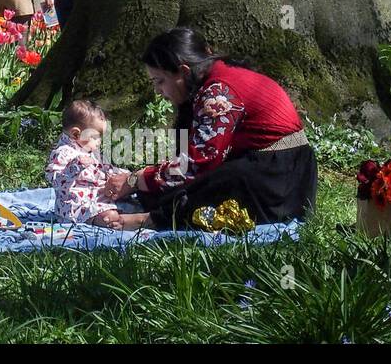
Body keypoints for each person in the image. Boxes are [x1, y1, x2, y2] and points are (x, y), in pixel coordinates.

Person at [97, 28, 318, 230]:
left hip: (277, 179)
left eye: (160, 81)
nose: (158, 91)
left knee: (203, 189)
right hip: (281, 169)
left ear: (183, 72)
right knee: (169, 188)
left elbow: (197, 164)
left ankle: (151, 220)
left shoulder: (218, 92)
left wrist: (135, 179)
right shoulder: (219, 77)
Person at [44, 99, 143, 225]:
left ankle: (124, 215)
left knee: (135, 205)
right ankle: (103, 220)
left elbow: (102, 168)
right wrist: (75, 167)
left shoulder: (88, 149)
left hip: (97, 196)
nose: (99, 141)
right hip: (76, 205)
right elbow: (54, 179)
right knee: (110, 216)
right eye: (95, 137)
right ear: (76, 134)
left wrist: (119, 174)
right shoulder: (64, 152)